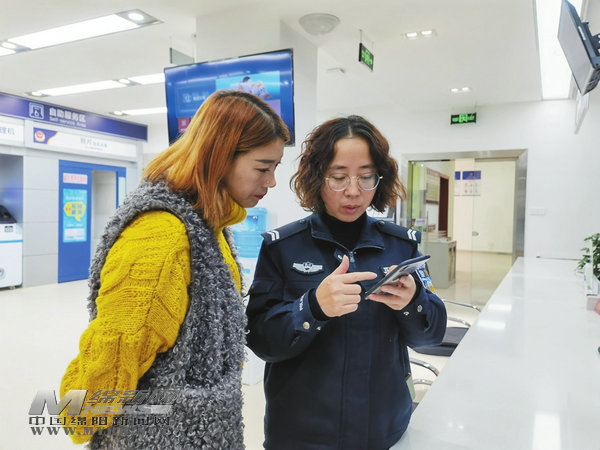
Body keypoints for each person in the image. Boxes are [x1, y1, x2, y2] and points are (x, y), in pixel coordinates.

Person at [59, 90, 289, 449]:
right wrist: (78, 417)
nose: (271, 181)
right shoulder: (161, 237)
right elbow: (114, 350)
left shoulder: (209, 226)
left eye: (275, 168)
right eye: (262, 168)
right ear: (219, 157)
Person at [246, 115, 447, 449]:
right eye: (338, 177)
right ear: (316, 176)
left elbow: (432, 336)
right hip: (301, 432)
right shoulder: (282, 247)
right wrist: (312, 308)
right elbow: (261, 341)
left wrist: (414, 303)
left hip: (382, 428)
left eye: (366, 177)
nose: (353, 191)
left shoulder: (401, 246)